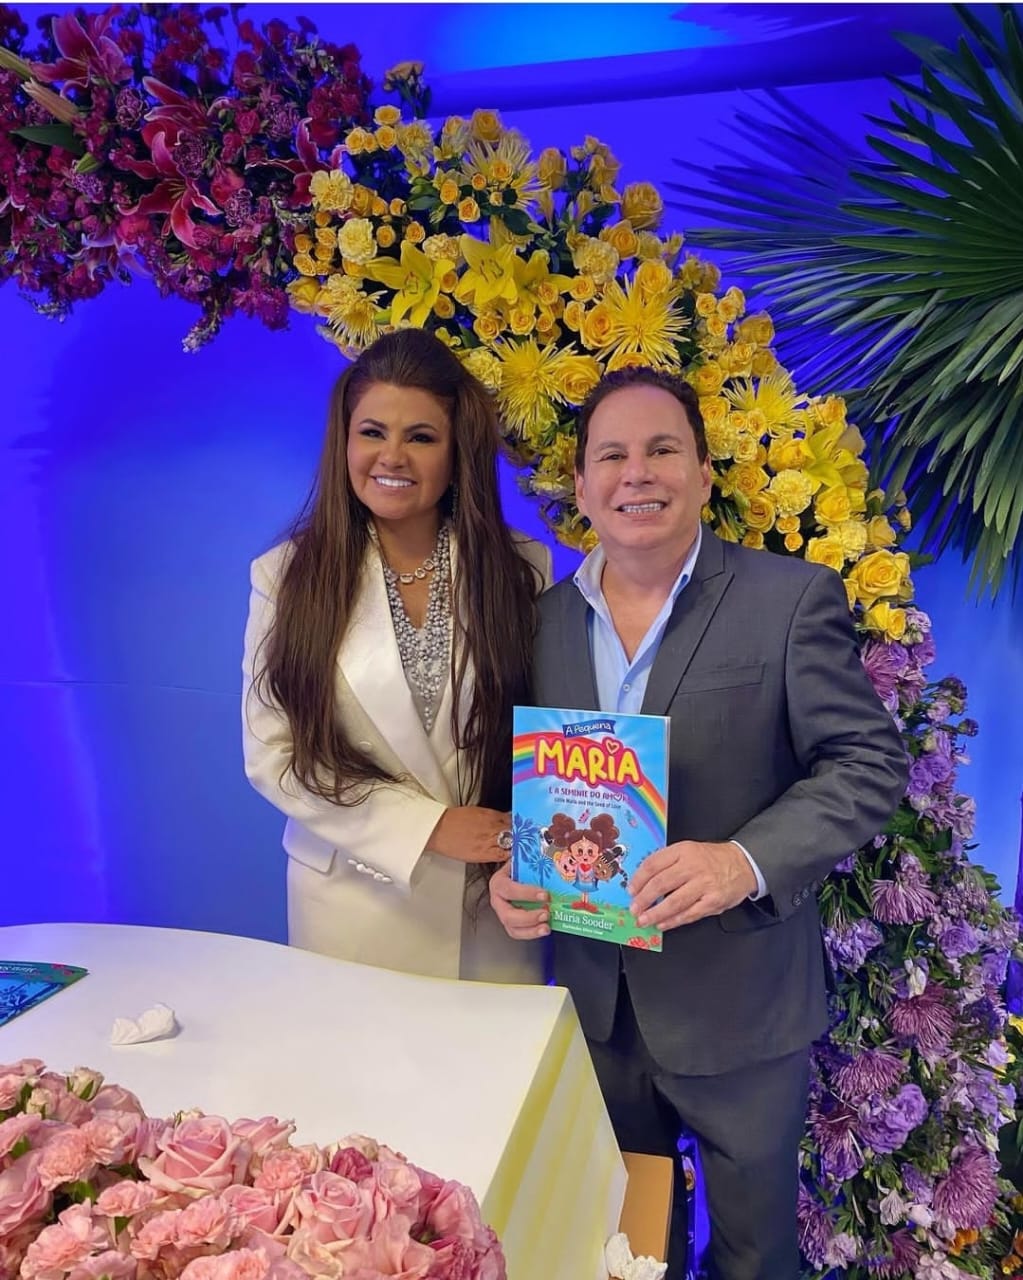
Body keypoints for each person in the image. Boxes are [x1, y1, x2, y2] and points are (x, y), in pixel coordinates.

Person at [489, 367, 908, 1280]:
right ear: (582, 485)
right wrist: (512, 871)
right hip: (597, 1006)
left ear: (703, 471)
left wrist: (740, 861)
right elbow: (528, 787)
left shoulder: (788, 599)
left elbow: (869, 763)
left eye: (661, 449)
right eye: (611, 455)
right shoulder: (540, 621)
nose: (636, 473)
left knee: (754, 1257)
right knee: (613, 1248)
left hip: (740, 1005)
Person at [242, 328, 550, 983]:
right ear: (344, 441)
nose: (392, 456)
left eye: (421, 437)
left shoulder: (523, 567)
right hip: (353, 908)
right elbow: (273, 755)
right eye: (372, 432)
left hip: (490, 905)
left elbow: (545, 734)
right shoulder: (285, 576)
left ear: (457, 451)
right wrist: (428, 827)